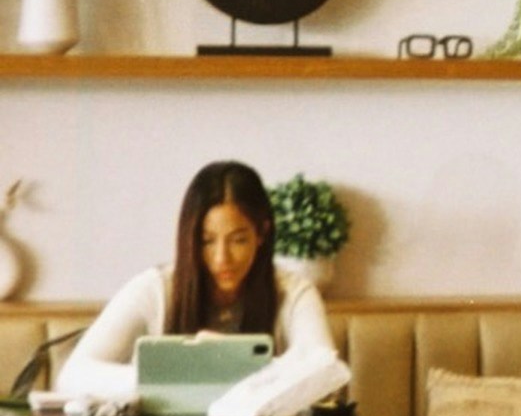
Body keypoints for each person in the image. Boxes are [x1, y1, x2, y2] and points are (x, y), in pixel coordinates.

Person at [58, 159, 337, 401]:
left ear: (261, 233)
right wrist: (179, 375)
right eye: (206, 241)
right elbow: (74, 376)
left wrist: (235, 366)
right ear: (188, 238)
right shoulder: (155, 290)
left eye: (238, 240)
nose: (221, 259)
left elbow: (323, 370)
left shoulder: (292, 291)